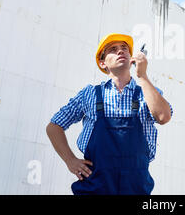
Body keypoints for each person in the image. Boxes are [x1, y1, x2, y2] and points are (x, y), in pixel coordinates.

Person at [46, 33, 173, 195]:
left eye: (125, 49)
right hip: (94, 188)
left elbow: (163, 117)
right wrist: (70, 160)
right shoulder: (89, 94)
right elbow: (54, 126)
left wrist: (142, 76)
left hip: (136, 189)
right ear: (102, 63)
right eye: (113, 49)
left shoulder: (147, 93)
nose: (121, 51)